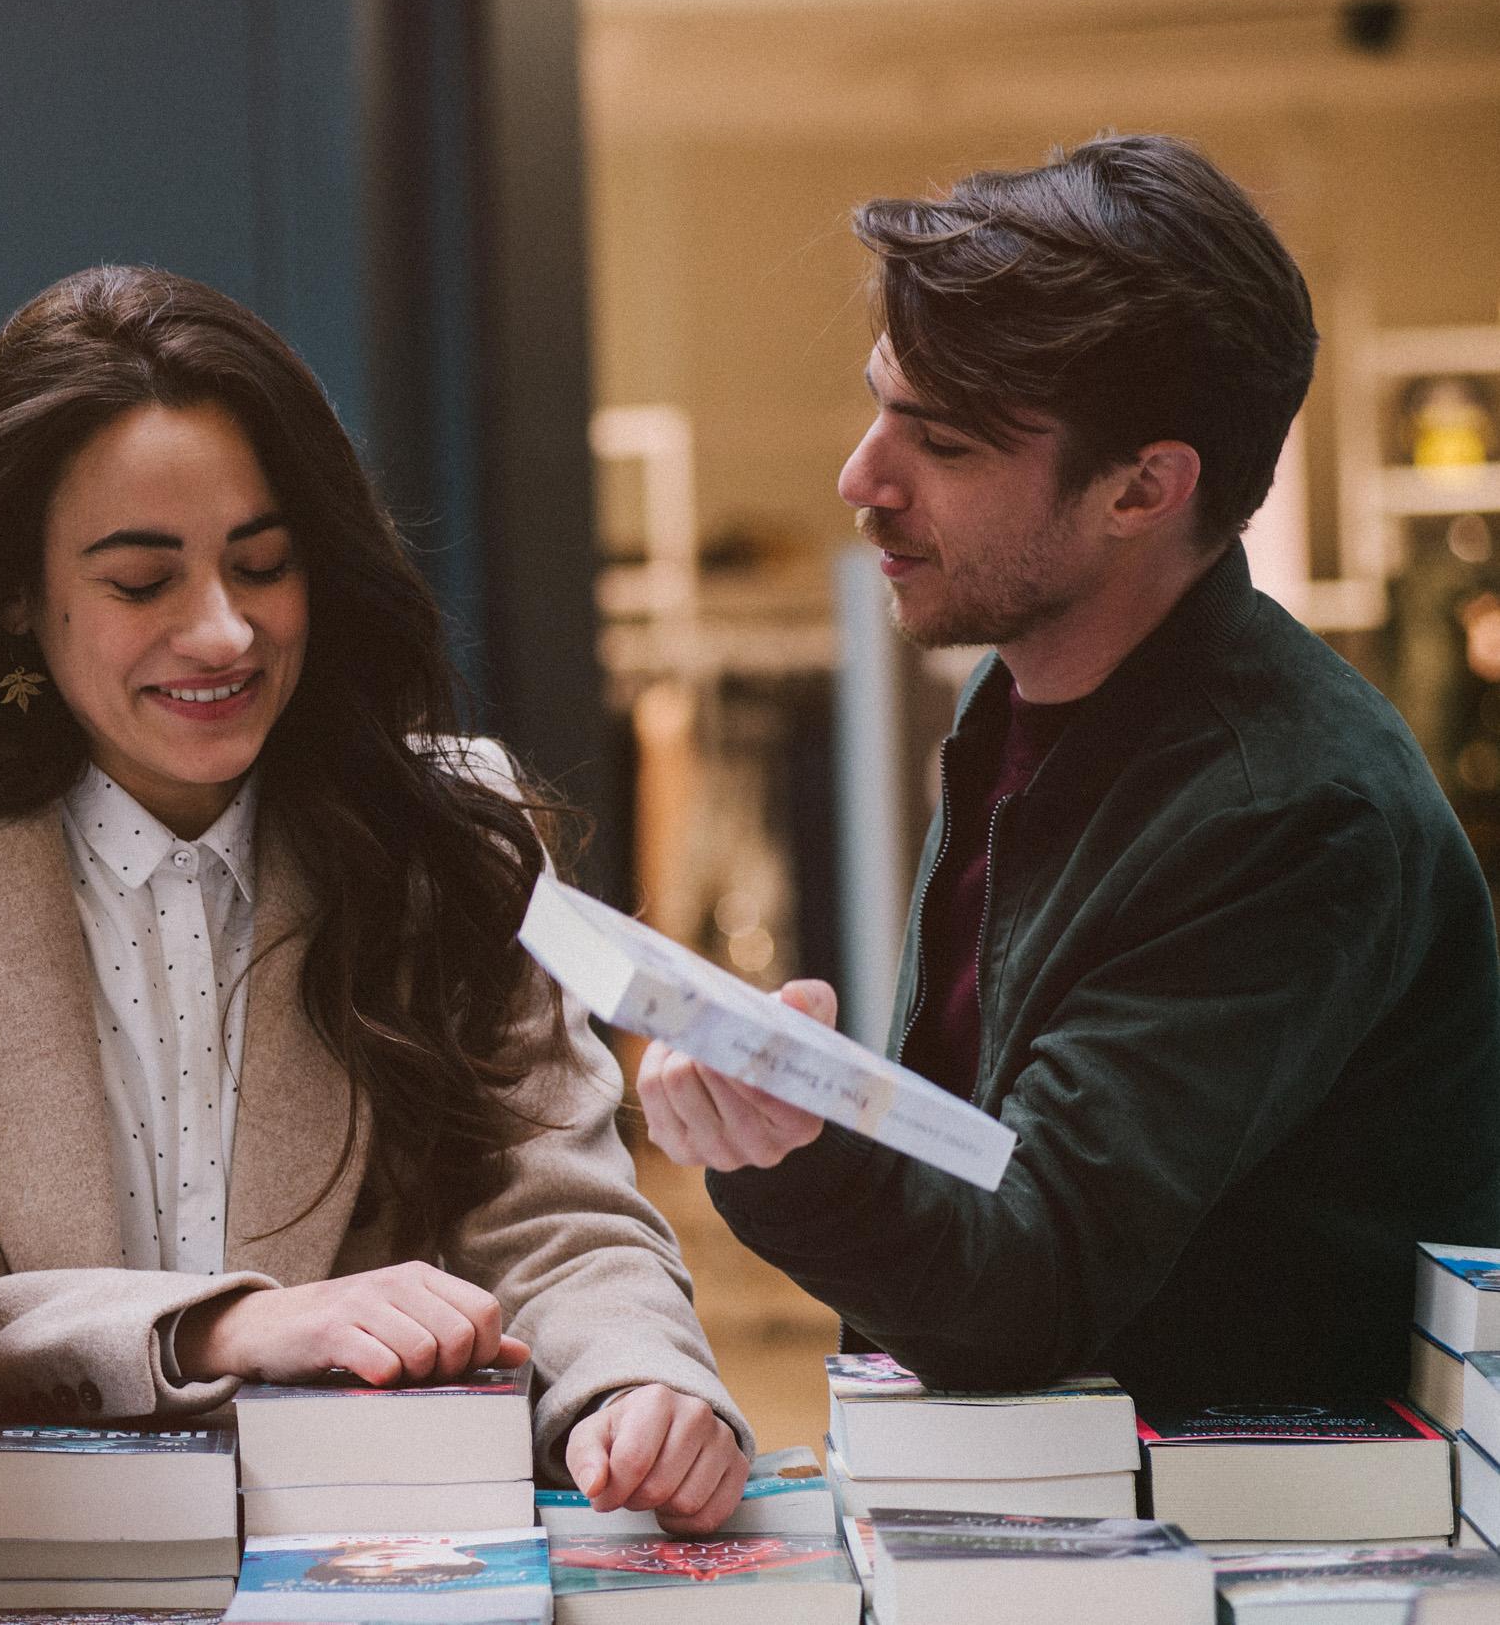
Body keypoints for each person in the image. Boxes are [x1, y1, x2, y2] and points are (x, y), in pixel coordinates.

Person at [0, 267, 751, 1526]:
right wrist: (222, 1327)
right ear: (17, 594)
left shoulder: (452, 827)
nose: (225, 633)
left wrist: (638, 1381)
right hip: (15, 1562)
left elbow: (561, 1219)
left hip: (374, 1556)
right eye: (143, 582)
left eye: (261, 564)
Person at [637, 135, 1500, 1403]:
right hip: (1056, 1484)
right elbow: (981, 1155)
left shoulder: (1291, 811)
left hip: (1227, 1512)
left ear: (1142, 489)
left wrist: (793, 1150)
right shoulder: (1021, 693)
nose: (861, 477)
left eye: (941, 441)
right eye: (879, 403)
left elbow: (1028, 1280)